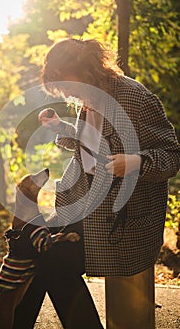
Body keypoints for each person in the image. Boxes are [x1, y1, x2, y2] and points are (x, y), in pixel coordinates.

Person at [13, 38, 180, 328]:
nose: (66, 92)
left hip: (121, 219)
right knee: (39, 255)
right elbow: (93, 145)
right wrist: (60, 128)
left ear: (88, 72)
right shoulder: (88, 98)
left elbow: (172, 155)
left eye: (67, 83)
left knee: (54, 264)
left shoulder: (136, 99)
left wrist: (135, 162)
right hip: (84, 205)